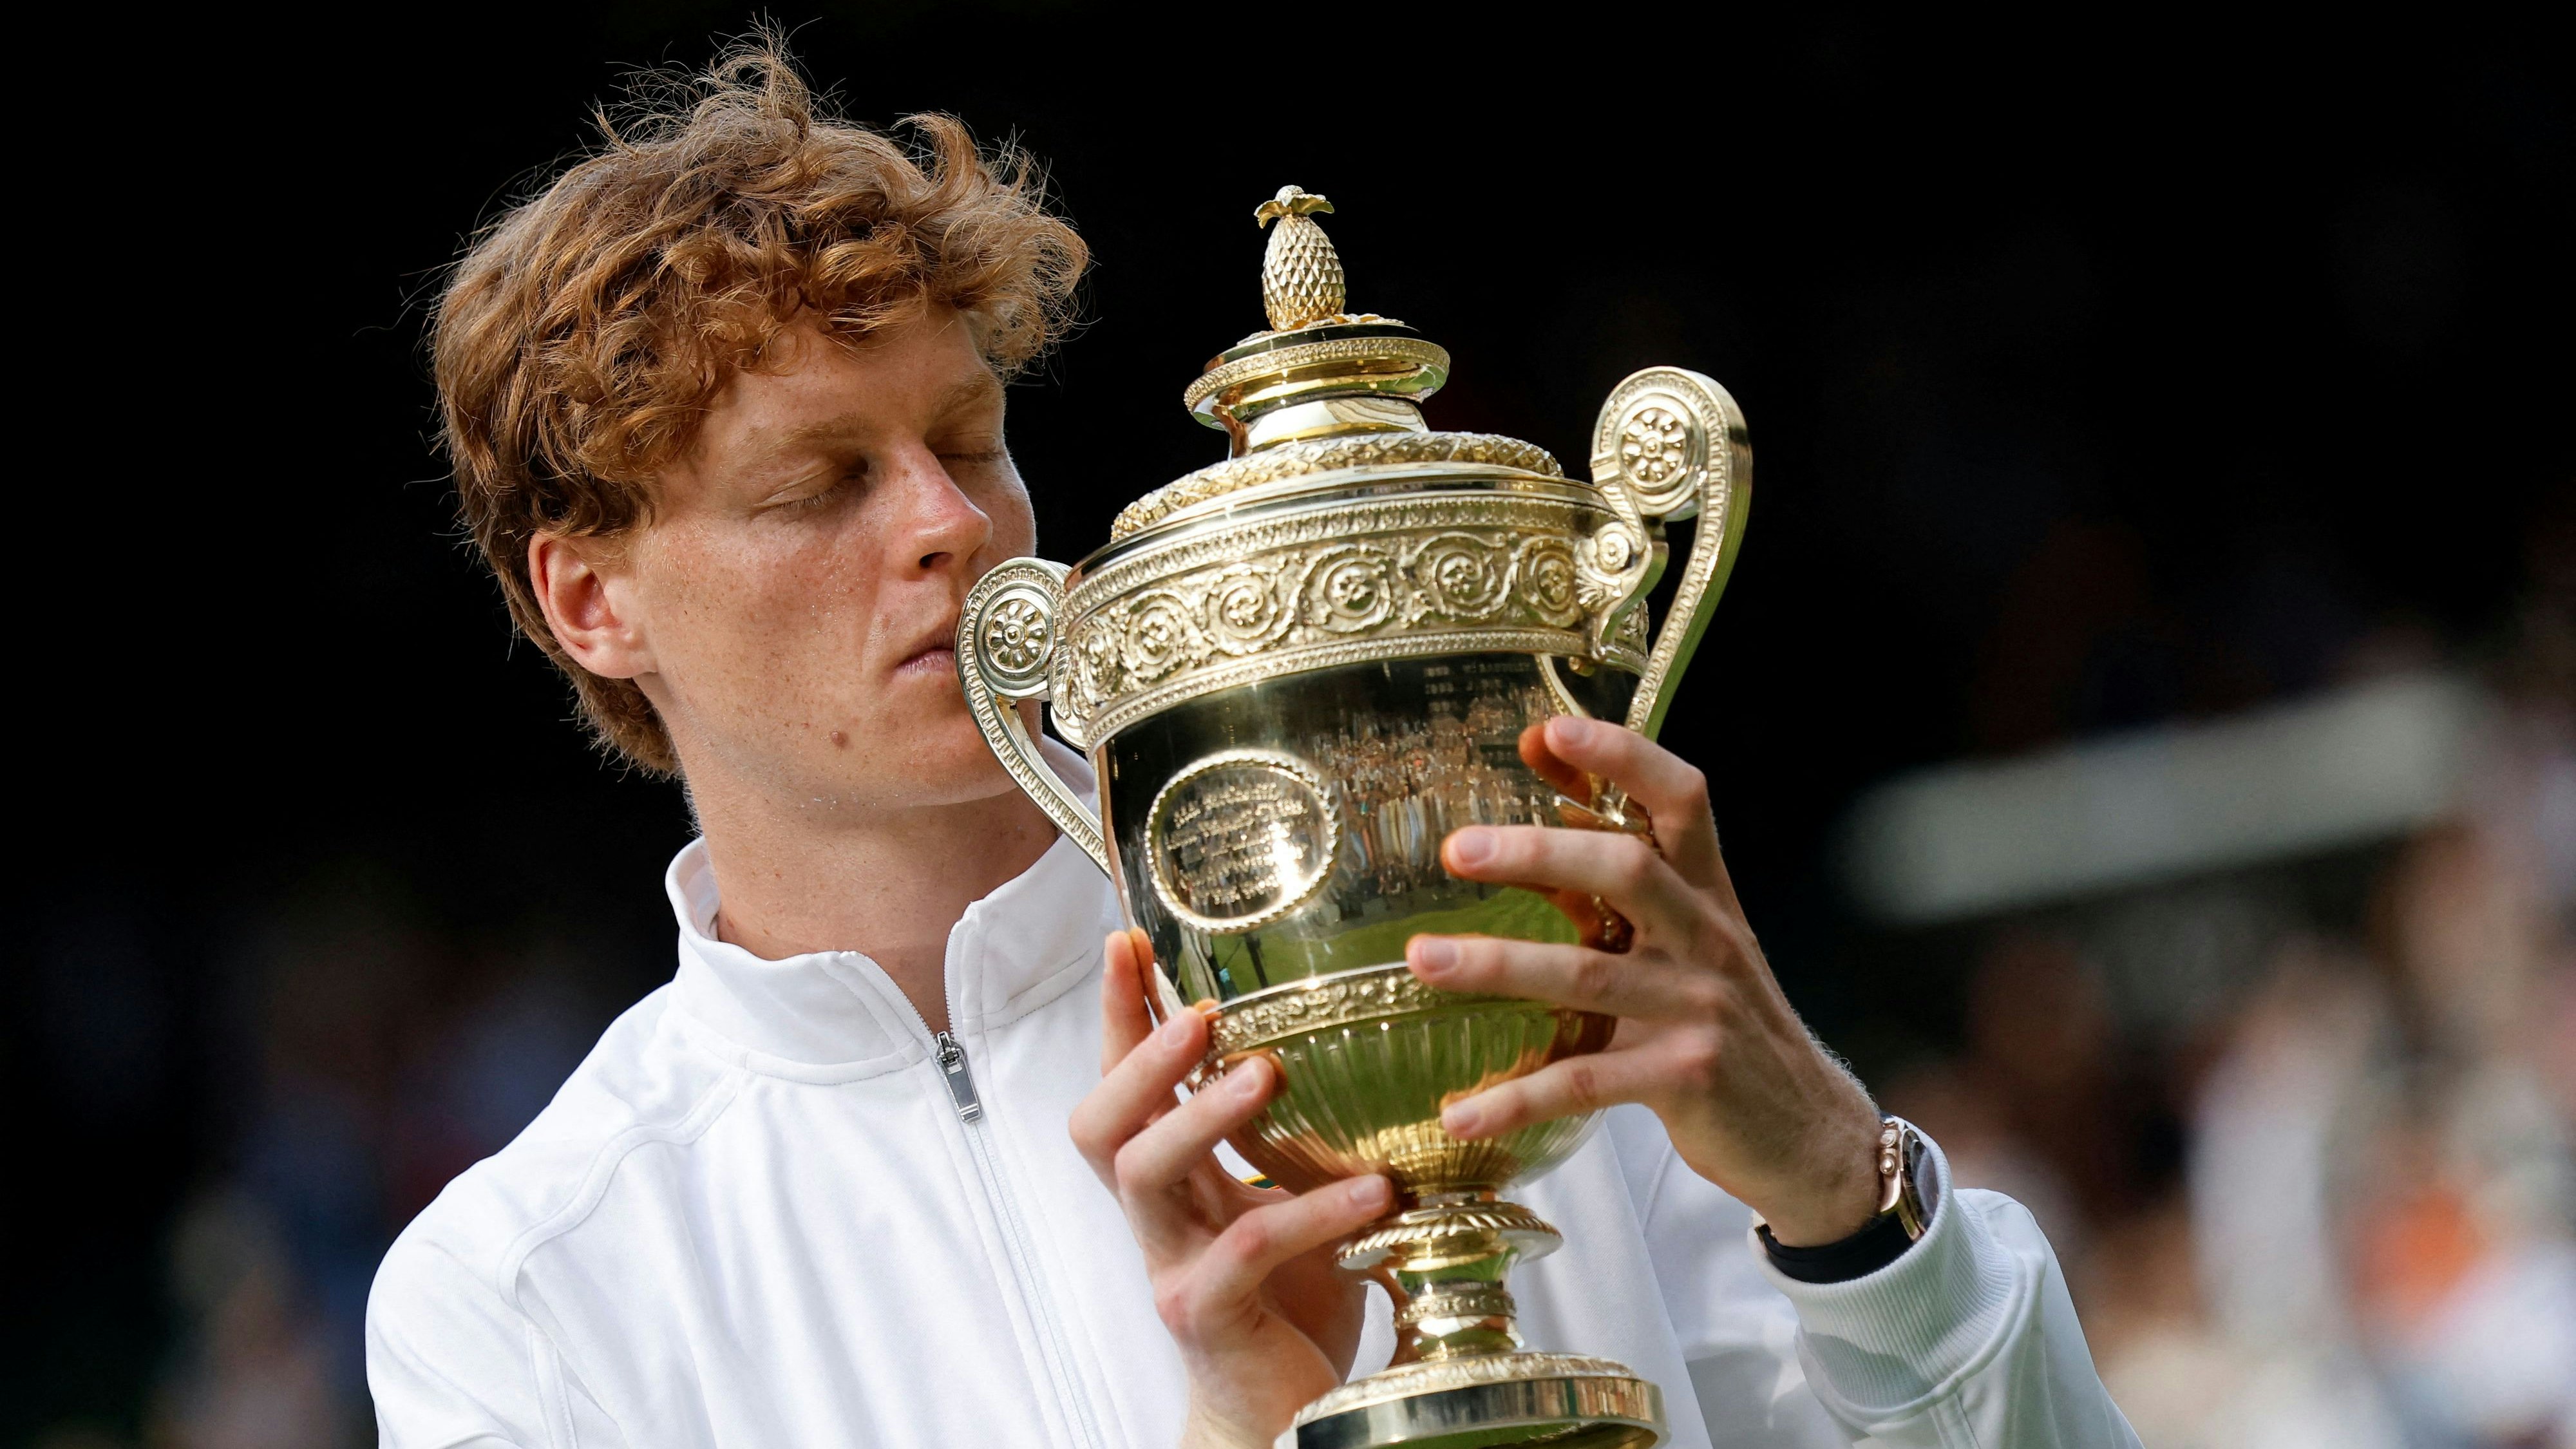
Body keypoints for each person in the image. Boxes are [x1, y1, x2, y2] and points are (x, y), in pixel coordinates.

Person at [366, 41, 2139, 1449]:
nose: (947, 523)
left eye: (970, 440)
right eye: (818, 481)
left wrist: (1847, 1194)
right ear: (592, 599)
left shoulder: (1489, 957)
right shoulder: (531, 1290)